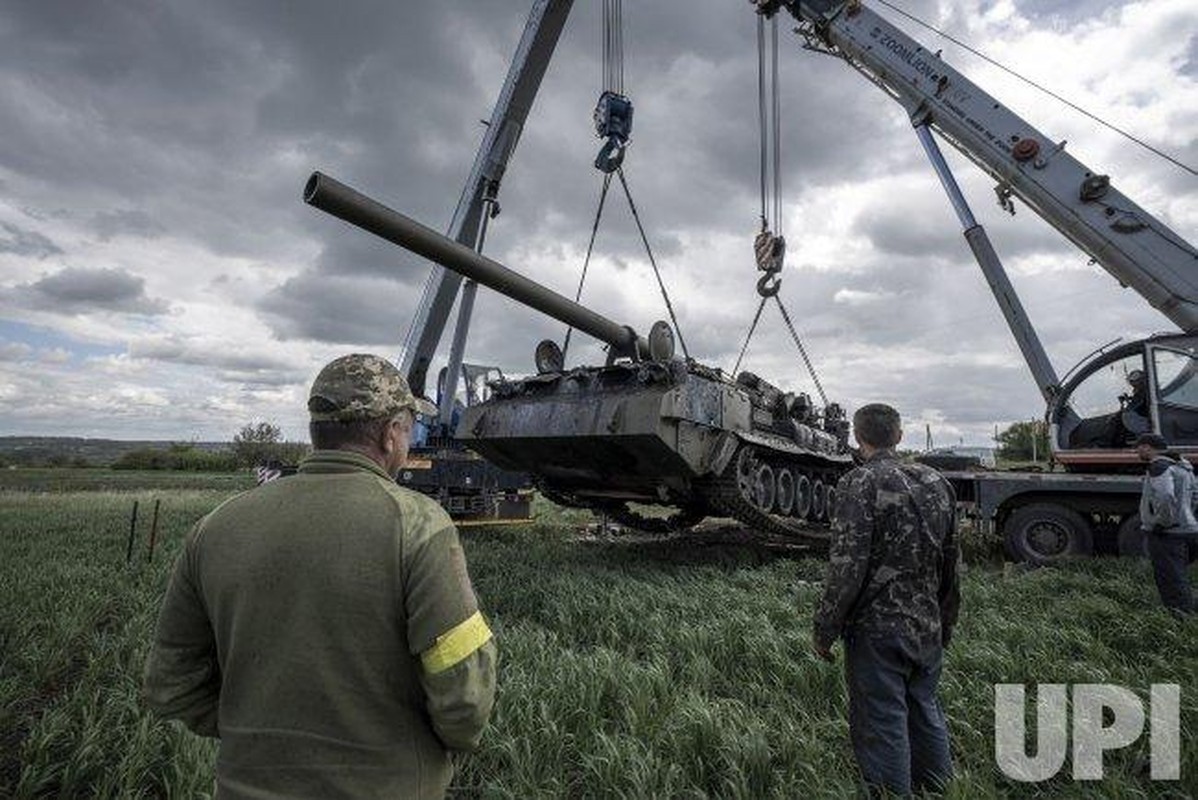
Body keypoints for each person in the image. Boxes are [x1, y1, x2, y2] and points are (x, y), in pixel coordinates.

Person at [143, 353, 497, 799]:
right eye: (408, 430)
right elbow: (464, 695)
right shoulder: (419, 525)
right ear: (391, 435)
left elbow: (170, 684)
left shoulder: (215, 527)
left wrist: (257, 734)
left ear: (318, 430)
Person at [812, 403, 960, 796]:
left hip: (877, 629)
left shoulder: (858, 483)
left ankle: (891, 793)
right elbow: (951, 562)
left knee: (881, 721)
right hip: (926, 622)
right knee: (924, 710)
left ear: (858, 440)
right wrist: (946, 621)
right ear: (898, 435)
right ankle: (938, 788)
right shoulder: (936, 481)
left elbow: (847, 568)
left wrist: (825, 629)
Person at [1135, 432, 1198, 616]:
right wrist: (1186, 516)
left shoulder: (1158, 466)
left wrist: (1163, 522)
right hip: (1189, 529)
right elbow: (1195, 496)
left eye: (1138, 447)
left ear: (1148, 447)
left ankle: (1180, 618)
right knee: (1179, 574)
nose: (1137, 451)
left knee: (1170, 577)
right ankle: (1188, 607)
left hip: (1169, 533)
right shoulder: (1183, 466)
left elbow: (1164, 496)